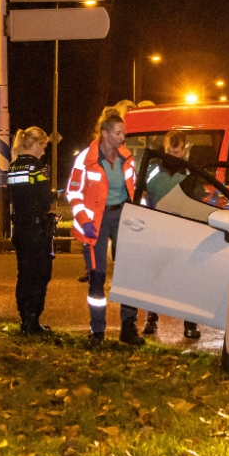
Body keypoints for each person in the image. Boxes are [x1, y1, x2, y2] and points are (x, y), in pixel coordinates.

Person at [66, 110, 145, 346]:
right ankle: (97, 330)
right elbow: (73, 192)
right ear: (105, 134)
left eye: (124, 132)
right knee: (97, 277)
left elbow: (134, 191)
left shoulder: (127, 157)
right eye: (119, 133)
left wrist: (140, 215)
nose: (123, 137)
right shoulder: (85, 159)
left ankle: (128, 328)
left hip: (123, 217)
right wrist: (85, 221)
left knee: (128, 274)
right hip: (96, 224)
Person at [142, 131, 201, 339]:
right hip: (158, 231)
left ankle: (190, 323)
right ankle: (151, 319)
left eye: (176, 151)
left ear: (183, 150)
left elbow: (198, 203)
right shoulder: (151, 171)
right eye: (169, 150)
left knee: (186, 279)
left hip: (183, 234)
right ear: (164, 149)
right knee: (155, 276)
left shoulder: (190, 174)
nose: (172, 155)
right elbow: (140, 195)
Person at [8, 127, 56, 334]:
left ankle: (24, 317)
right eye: (43, 146)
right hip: (37, 229)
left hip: (19, 227)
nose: (44, 152)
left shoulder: (13, 167)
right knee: (40, 274)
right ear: (36, 144)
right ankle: (33, 320)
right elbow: (45, 197)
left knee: (24, 274)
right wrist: (55, 195)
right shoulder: (37, 168)